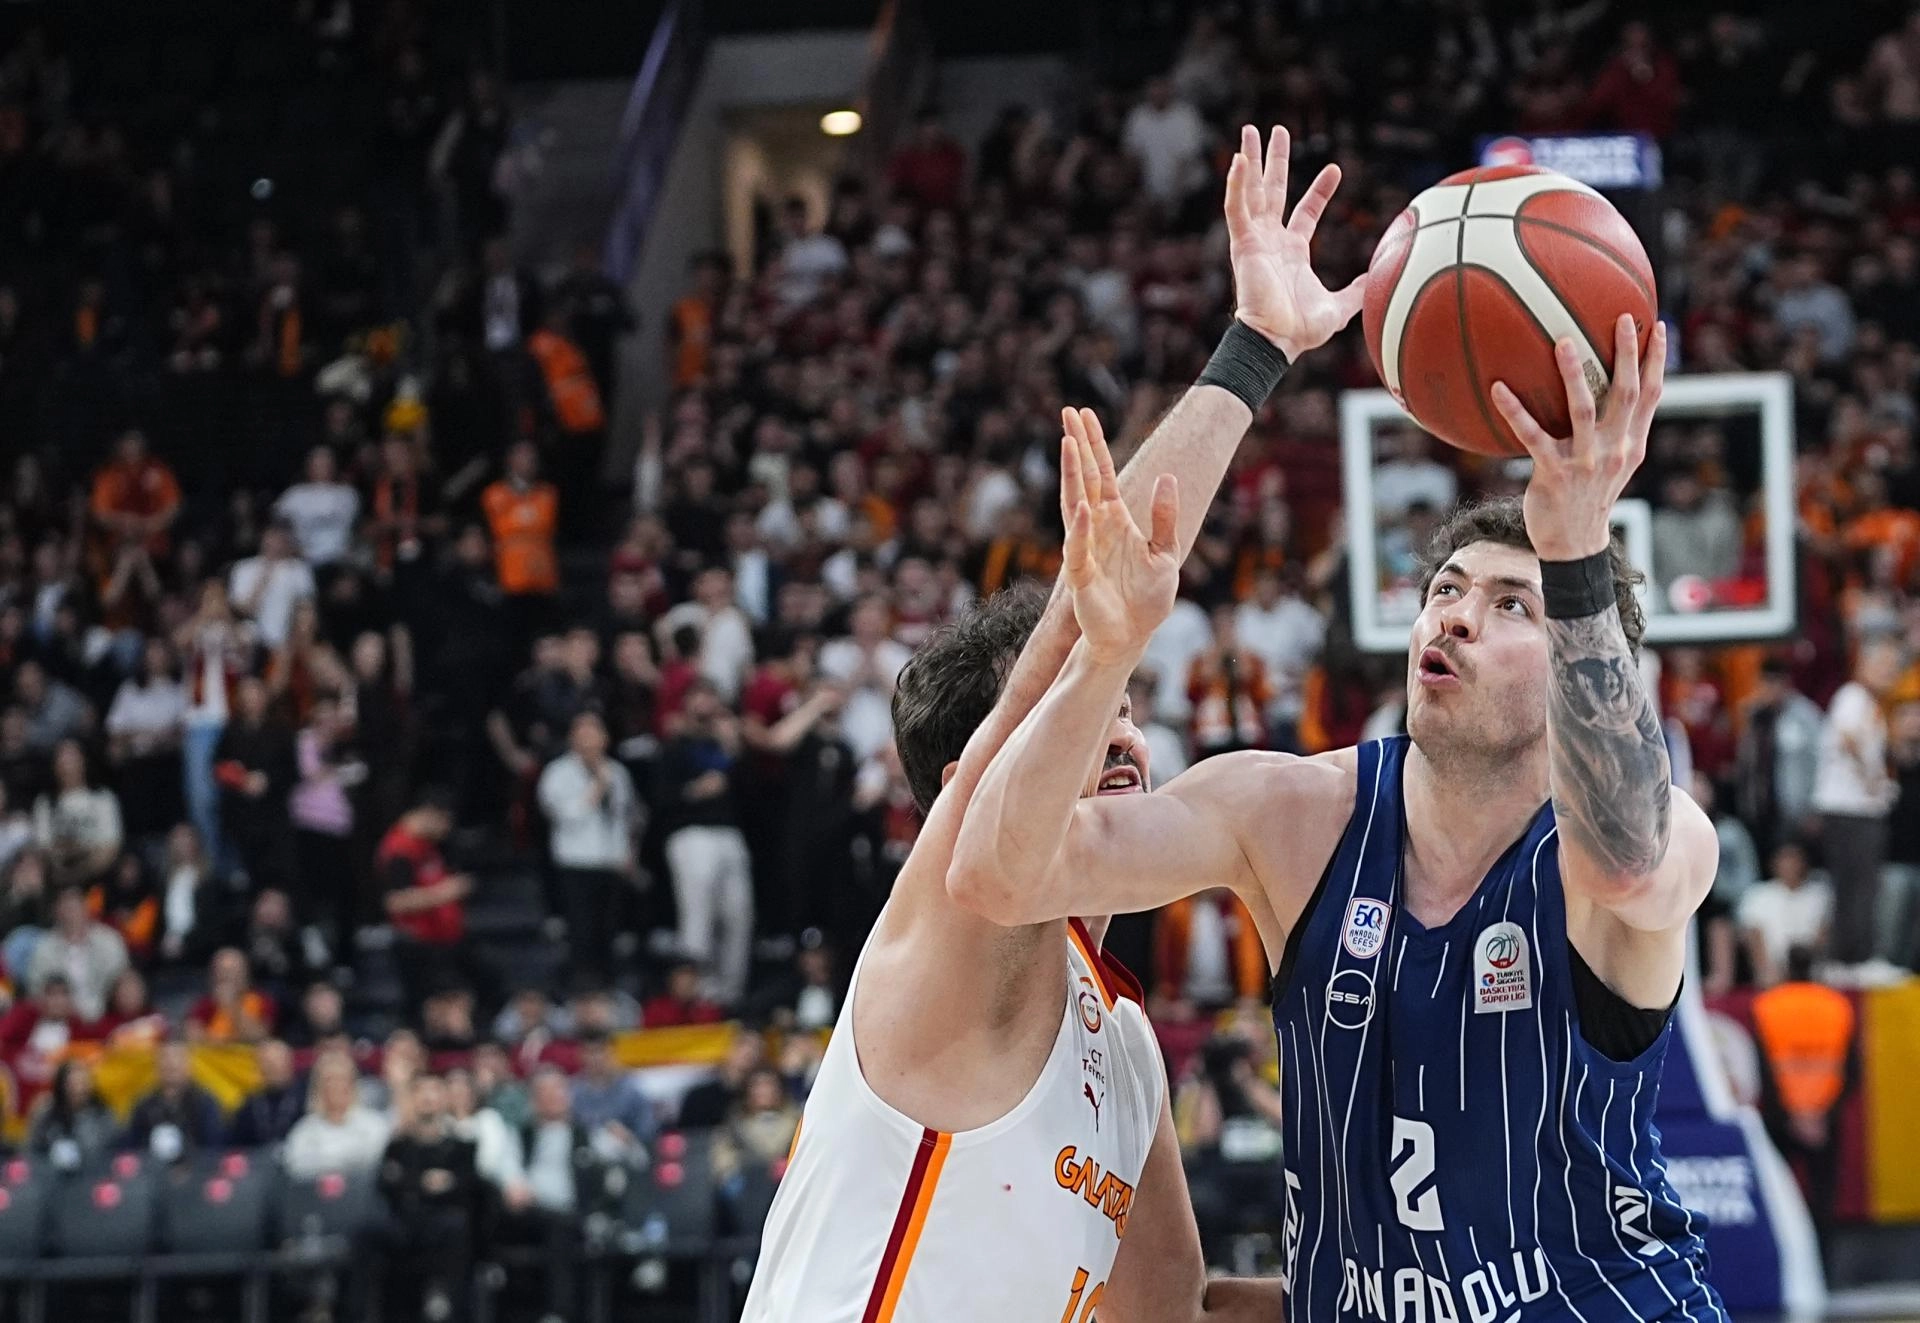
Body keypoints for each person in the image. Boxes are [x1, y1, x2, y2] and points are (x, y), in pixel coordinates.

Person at [953, 309, 1731, 1317]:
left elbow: (1629, 862)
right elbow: (1002, 873)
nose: (1455, 615)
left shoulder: (1653, 838)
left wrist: (1577, 548)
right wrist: (1103, 653)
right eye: (1447, 589)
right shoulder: (1294, 812)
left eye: (1512, 604)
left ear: (1580, 665)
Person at [743, 125, 1357, 1322]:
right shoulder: (959, 929)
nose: (1122, 735)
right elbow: (1085, 610)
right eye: (1088, 718)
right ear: (972, 783)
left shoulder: (1122, 1042)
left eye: (1128, 712)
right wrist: (1254, 352)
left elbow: (1178, 1314)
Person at [1809, 638, 1904, 965]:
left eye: (1893, 668)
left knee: (1859, 886)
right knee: (1856, 887)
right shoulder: (1853, 697)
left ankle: (1851, 958)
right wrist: (1871, 777)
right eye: (1883, 666)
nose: (1890, 673)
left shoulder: (1870, 703)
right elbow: (1848, 738)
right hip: (1850, 809)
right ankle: (1853, 960)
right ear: (1864, 666)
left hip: (1858, 809)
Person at [536, 710, 640, 985]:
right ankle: (583, 986)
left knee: (609, 930)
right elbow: (565, 816)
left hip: (611, 862)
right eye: (583, 733)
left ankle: (608, 986)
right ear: (572, 738)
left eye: (594, 733)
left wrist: (628, 854)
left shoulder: (618, 772)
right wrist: (597, 786)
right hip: (576, 862)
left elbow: (625, 818)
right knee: (581, 930)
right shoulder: (557, 772)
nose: (589, 739)